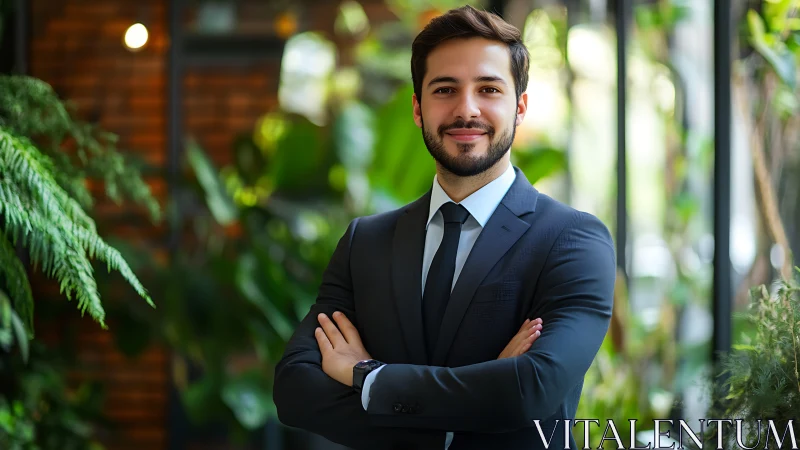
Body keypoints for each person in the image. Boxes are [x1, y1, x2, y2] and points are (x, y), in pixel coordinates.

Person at [273, 5, 616, 449]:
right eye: (445, 89)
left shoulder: (572, 241)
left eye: (488, 89)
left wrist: (369, 377)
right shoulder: (366, 243)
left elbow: (531, 388)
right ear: (418, 109)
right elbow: (295, 390)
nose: (466, 109)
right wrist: (471, 409)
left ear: (520, 107)